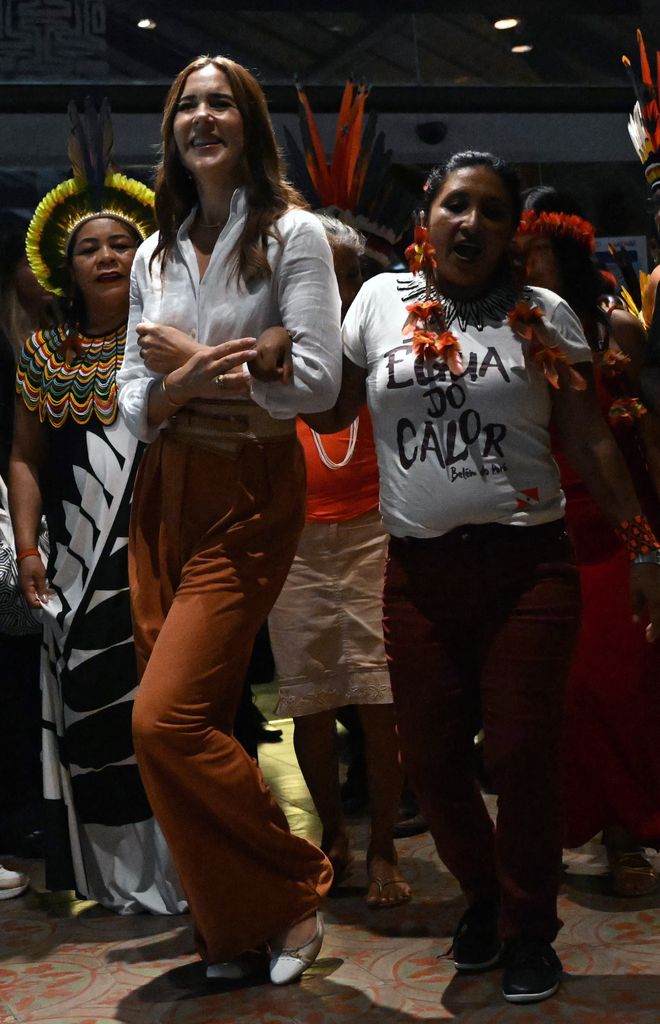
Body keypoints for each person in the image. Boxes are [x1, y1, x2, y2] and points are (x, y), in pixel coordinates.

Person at [303, 151, 660, 1005]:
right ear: (428, 214)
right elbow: (330, 409)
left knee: (522, 752)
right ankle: (484, 895)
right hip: (418, 573)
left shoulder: (545, 317)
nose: (473, 223)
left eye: (492, 212)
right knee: (428, 761)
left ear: (512, 233)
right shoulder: (379, 304)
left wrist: (645, 546)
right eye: (457, 205)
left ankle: (530, 927)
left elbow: (597, 440)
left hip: (528, 570)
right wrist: (278, 352)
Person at [116, 55, 341, 984]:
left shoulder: (295, 236)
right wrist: (206, 382)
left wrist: (198, 370)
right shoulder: (151, 251)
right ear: (172, 128)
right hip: (162, 493)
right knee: (196, 719)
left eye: (221, 104)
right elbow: (132, 401)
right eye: (187, 106)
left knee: (162, 723)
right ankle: (232, 925)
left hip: (250, 492)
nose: (203, 117)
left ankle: (290, 887)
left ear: (248, 123)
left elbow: (320, 385)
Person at [9, 103, 185, 914]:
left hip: (165, 557)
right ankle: (119, 884)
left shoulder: (169, 339)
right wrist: (31, 549)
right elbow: (24, 458)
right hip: (76, 568)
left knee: (168, 718)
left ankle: (191, 874)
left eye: (120, 242)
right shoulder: (45, 354)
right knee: (93, 724)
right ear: (64, 265)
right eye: (90, 247)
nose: (108, 254)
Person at [517, 186, 660, 896]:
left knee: (621, 683)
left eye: (537, 244)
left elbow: (638, 432)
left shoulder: (615, 329)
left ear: (567, 249)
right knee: (563, 693)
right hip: (540, 522)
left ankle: (628, 835)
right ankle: (589, 830)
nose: (524, 256)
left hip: (613, 522)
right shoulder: (507, 328)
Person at [269, 214, 410, 908]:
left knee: (381, 704)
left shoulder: (383, 341)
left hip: (376, 535)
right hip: (292, 545)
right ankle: (334, 838)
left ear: (356, 278)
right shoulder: (274, 346)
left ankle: (384, 845)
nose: (329, 283)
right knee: (311, 704)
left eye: (341, 271)